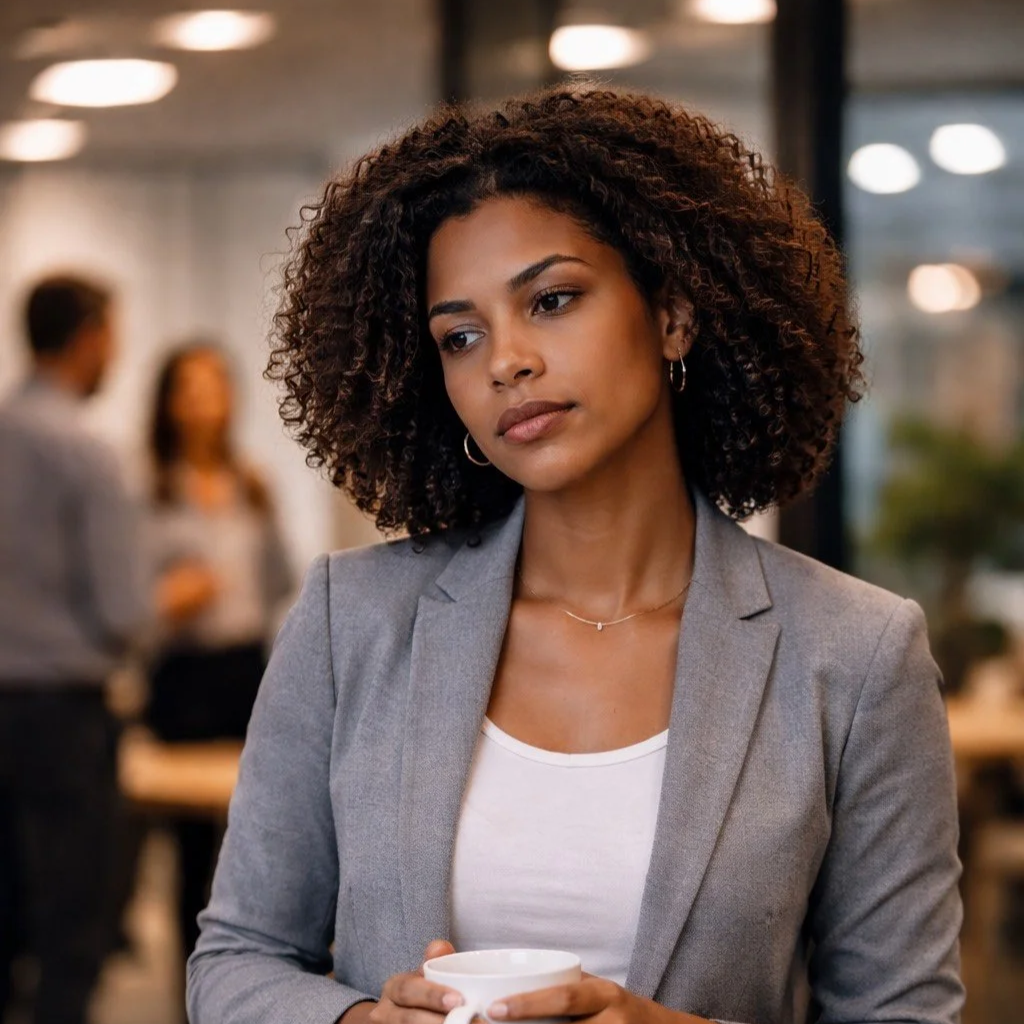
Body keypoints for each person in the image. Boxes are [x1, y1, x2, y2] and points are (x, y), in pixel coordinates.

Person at [188, 89, 964, 1024]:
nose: (505, 361)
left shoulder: (857, 653)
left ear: (673, 316)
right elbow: (236, 961)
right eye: (460, 336)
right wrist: (358, 1022)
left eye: (552, 300)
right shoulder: (348, 619)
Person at [0, 275, 148, 1024]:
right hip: (61, 717)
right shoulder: (84, 449)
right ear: (89, 336)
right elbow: (124, 609)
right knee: (72, 924)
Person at [144, 342, 293, 963]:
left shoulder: (251, 485)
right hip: (182, 673)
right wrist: (166, 598)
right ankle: (191, 985)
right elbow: (123, 597)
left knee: (251, 837)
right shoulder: (149, 489)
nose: (205, 399)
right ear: (171, 402)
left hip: (243, 668)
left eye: (215, 384)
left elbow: (280, 578)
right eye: (190, 386)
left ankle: (250, 977)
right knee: (189, 848)